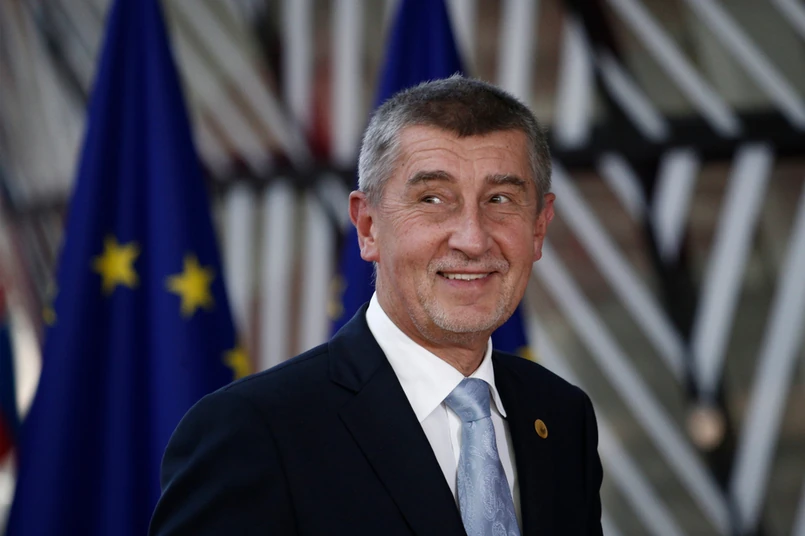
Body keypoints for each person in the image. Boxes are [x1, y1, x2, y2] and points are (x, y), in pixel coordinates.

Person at [149, 76, 603, 536]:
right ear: (368, 227)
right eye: (432, 199)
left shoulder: (562, 416)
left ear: (539, 227)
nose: (472, 239)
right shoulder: (254, 431)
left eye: (500, 199)